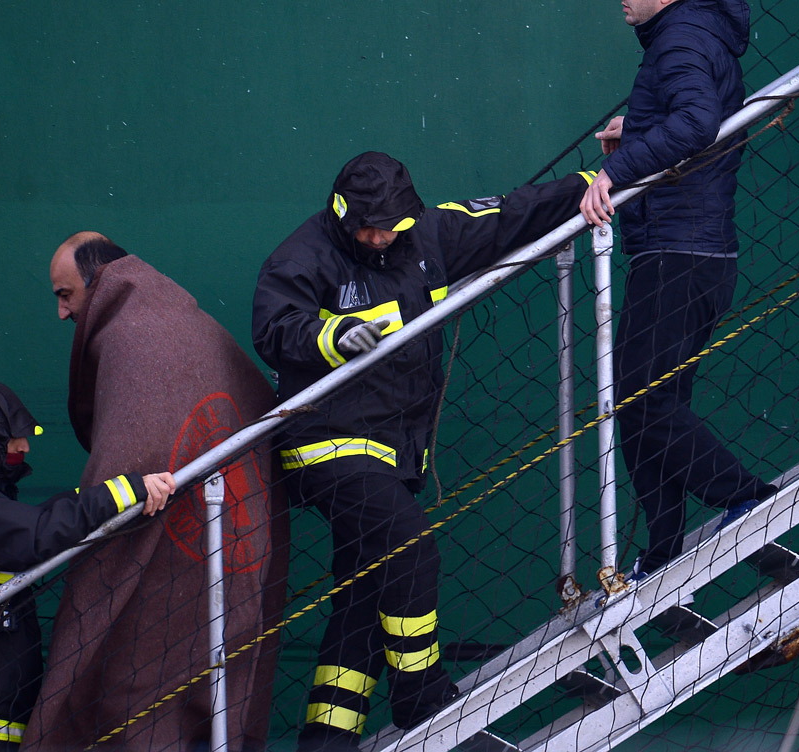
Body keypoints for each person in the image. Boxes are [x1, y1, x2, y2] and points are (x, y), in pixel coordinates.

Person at [251, 151, 591, 751]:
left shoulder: (427, 234)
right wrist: (331, 335)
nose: (380, 238)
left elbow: (513, 213)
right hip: (325, 443)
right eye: (368, 228)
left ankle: (324, 742)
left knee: (363, 595)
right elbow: (274, 327)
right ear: (340, 213)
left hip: (391, 449)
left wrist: (598, 180)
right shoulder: (301, 256)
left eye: (391, 227)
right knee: (411, 550)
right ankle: (421, 696)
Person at [24, 234, 288, 752]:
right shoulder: (181, 322)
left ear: (97, 282)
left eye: (65, 294)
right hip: (225, 570)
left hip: (172, 570)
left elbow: (127, 460)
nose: (61, 312)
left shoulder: (136, 336)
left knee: (129, 695)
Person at [578, 0, 777, 580]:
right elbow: (698, 116)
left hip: (681, 252)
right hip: (687, 252)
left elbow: (696, 126)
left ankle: (746, 497)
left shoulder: (684, 36)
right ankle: (664, 552)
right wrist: (635, 131)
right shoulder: (687, 36)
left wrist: (618, 170)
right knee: (645, 411)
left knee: (643, 406)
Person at [0, 379, 175, 750]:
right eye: (11, 439)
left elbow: (22, 526)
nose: (23, 447)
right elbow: (34, 535)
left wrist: (91, 501)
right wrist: (123, 491)